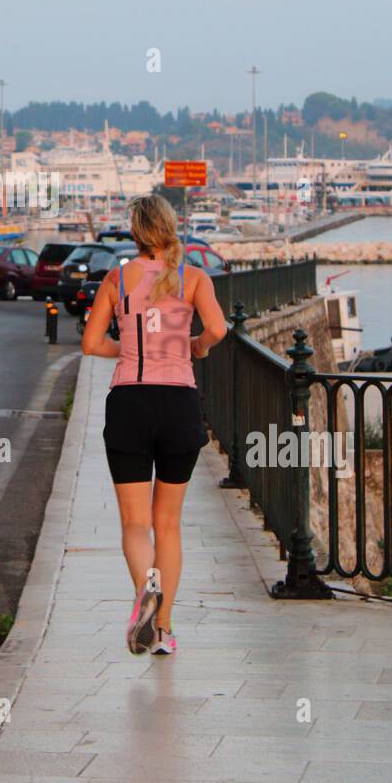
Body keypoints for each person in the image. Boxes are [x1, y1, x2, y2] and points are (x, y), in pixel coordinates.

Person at [81, 194, 227, 656]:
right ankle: (162, 629)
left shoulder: (116, 279)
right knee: (168, 524)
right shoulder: (194, 277)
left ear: (135, 232)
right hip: (179, 403)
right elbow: (220, 331)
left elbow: (90, 343)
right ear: (170, 228)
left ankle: (146, 590)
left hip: (129, 402)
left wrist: (124, 351)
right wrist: (195, 347)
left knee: (134, 523)